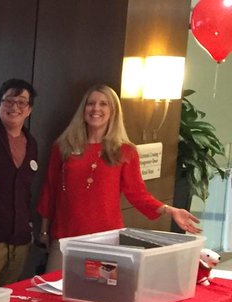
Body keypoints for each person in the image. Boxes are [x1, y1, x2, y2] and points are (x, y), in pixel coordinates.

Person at [37, 84, 200, 270]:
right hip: (65, 236)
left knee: (98, 295)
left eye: (103, 104)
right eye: (90, 104)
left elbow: (137, 194)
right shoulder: (63, 146)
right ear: (83, 109)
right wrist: (44, 229)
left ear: (113, 111)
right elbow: (49, 189)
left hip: (105, 238)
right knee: (54, 293)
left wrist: (169, 210)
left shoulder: (125, 151)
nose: (96, 109)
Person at [0, 79, 40, 285]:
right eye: (9, 101)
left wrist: (28, 228)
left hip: (19, 240)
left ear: (29, 109)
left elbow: (26, 191)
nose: (14, 107)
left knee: (8, 299)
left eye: (21, 103)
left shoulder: (31, 142)